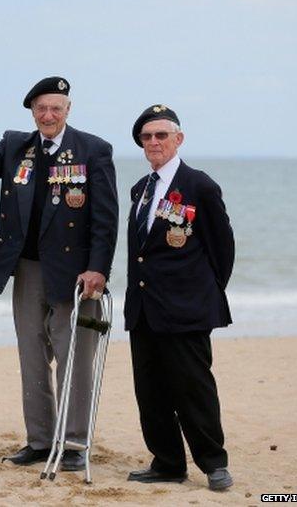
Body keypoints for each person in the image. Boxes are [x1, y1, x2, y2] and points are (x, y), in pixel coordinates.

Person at [0, 77, 118, 470]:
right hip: (27, 269)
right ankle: (40, 440)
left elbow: (105, 217)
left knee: (74, 358)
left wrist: (98, 267)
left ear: (68, 110)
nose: (48, 115)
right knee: (32, 356)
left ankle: (75, 444)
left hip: (74, 274)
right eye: (41, 109)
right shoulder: (16, 145)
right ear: (32, 111)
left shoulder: (93, 149)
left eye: (56, 108)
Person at [124, 104, 235, 491]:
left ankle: (214, 463)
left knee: (193, 390)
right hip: (144, 309)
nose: (153, 142)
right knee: (151, 392)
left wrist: (200, 292)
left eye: (161, 135)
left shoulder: (199, 185)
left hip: (185, 310)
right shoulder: (141, 189)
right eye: (147, 137)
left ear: (178, 139)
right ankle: (168, 462)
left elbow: (222, 249)